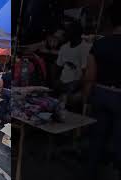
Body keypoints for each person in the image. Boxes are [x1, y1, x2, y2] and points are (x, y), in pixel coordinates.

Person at [83, 1, 121, 180]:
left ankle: (90, 174)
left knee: (96, 139)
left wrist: (85, 96)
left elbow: (90, 75)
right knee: (118, 141)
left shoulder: (100, 44)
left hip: (100, 93)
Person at [56, 21, 91, 96]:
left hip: (76, 86)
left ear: (76, 33)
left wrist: (75, 87)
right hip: (63, 83)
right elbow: (59, 66)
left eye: (68, 30)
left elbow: (85, 73)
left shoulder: (85, 48)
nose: (65, 33)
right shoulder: (64, 47)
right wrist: (57, 82)